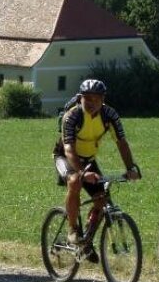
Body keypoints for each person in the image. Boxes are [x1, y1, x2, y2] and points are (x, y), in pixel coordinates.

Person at [53, 79, 140, 262]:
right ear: (80, 98)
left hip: (89, 159)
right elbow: (69, 149)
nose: (91, 102)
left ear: (103, 99)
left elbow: (121, 143)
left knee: (101, 198)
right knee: (74, 181)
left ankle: (86, 241)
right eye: (87, 98)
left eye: (96, 99)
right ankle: (72, 230)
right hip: (66, 157)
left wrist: (131, 167)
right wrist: (82, 173)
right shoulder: (72, 116)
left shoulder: (110, 115)